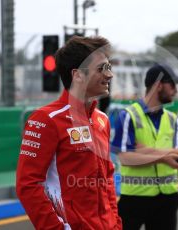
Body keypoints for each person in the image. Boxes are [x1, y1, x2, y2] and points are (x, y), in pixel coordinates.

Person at [16, 36, 122, 230]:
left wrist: (115, 224)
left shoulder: (102, 120)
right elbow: (28, 185)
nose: (109, 75)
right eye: (101, 69)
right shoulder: (45, 119)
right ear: (78, 75)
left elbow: (107, 179)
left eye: (109, 67)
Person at [111, 64, 178, 230]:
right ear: (158, 85)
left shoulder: (174, 119)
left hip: (168, 199)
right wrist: (164, 157)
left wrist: (143, 150)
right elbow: (125, 158)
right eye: (172, 85)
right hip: (133, 198)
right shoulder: (128, 116)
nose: (175, 91)